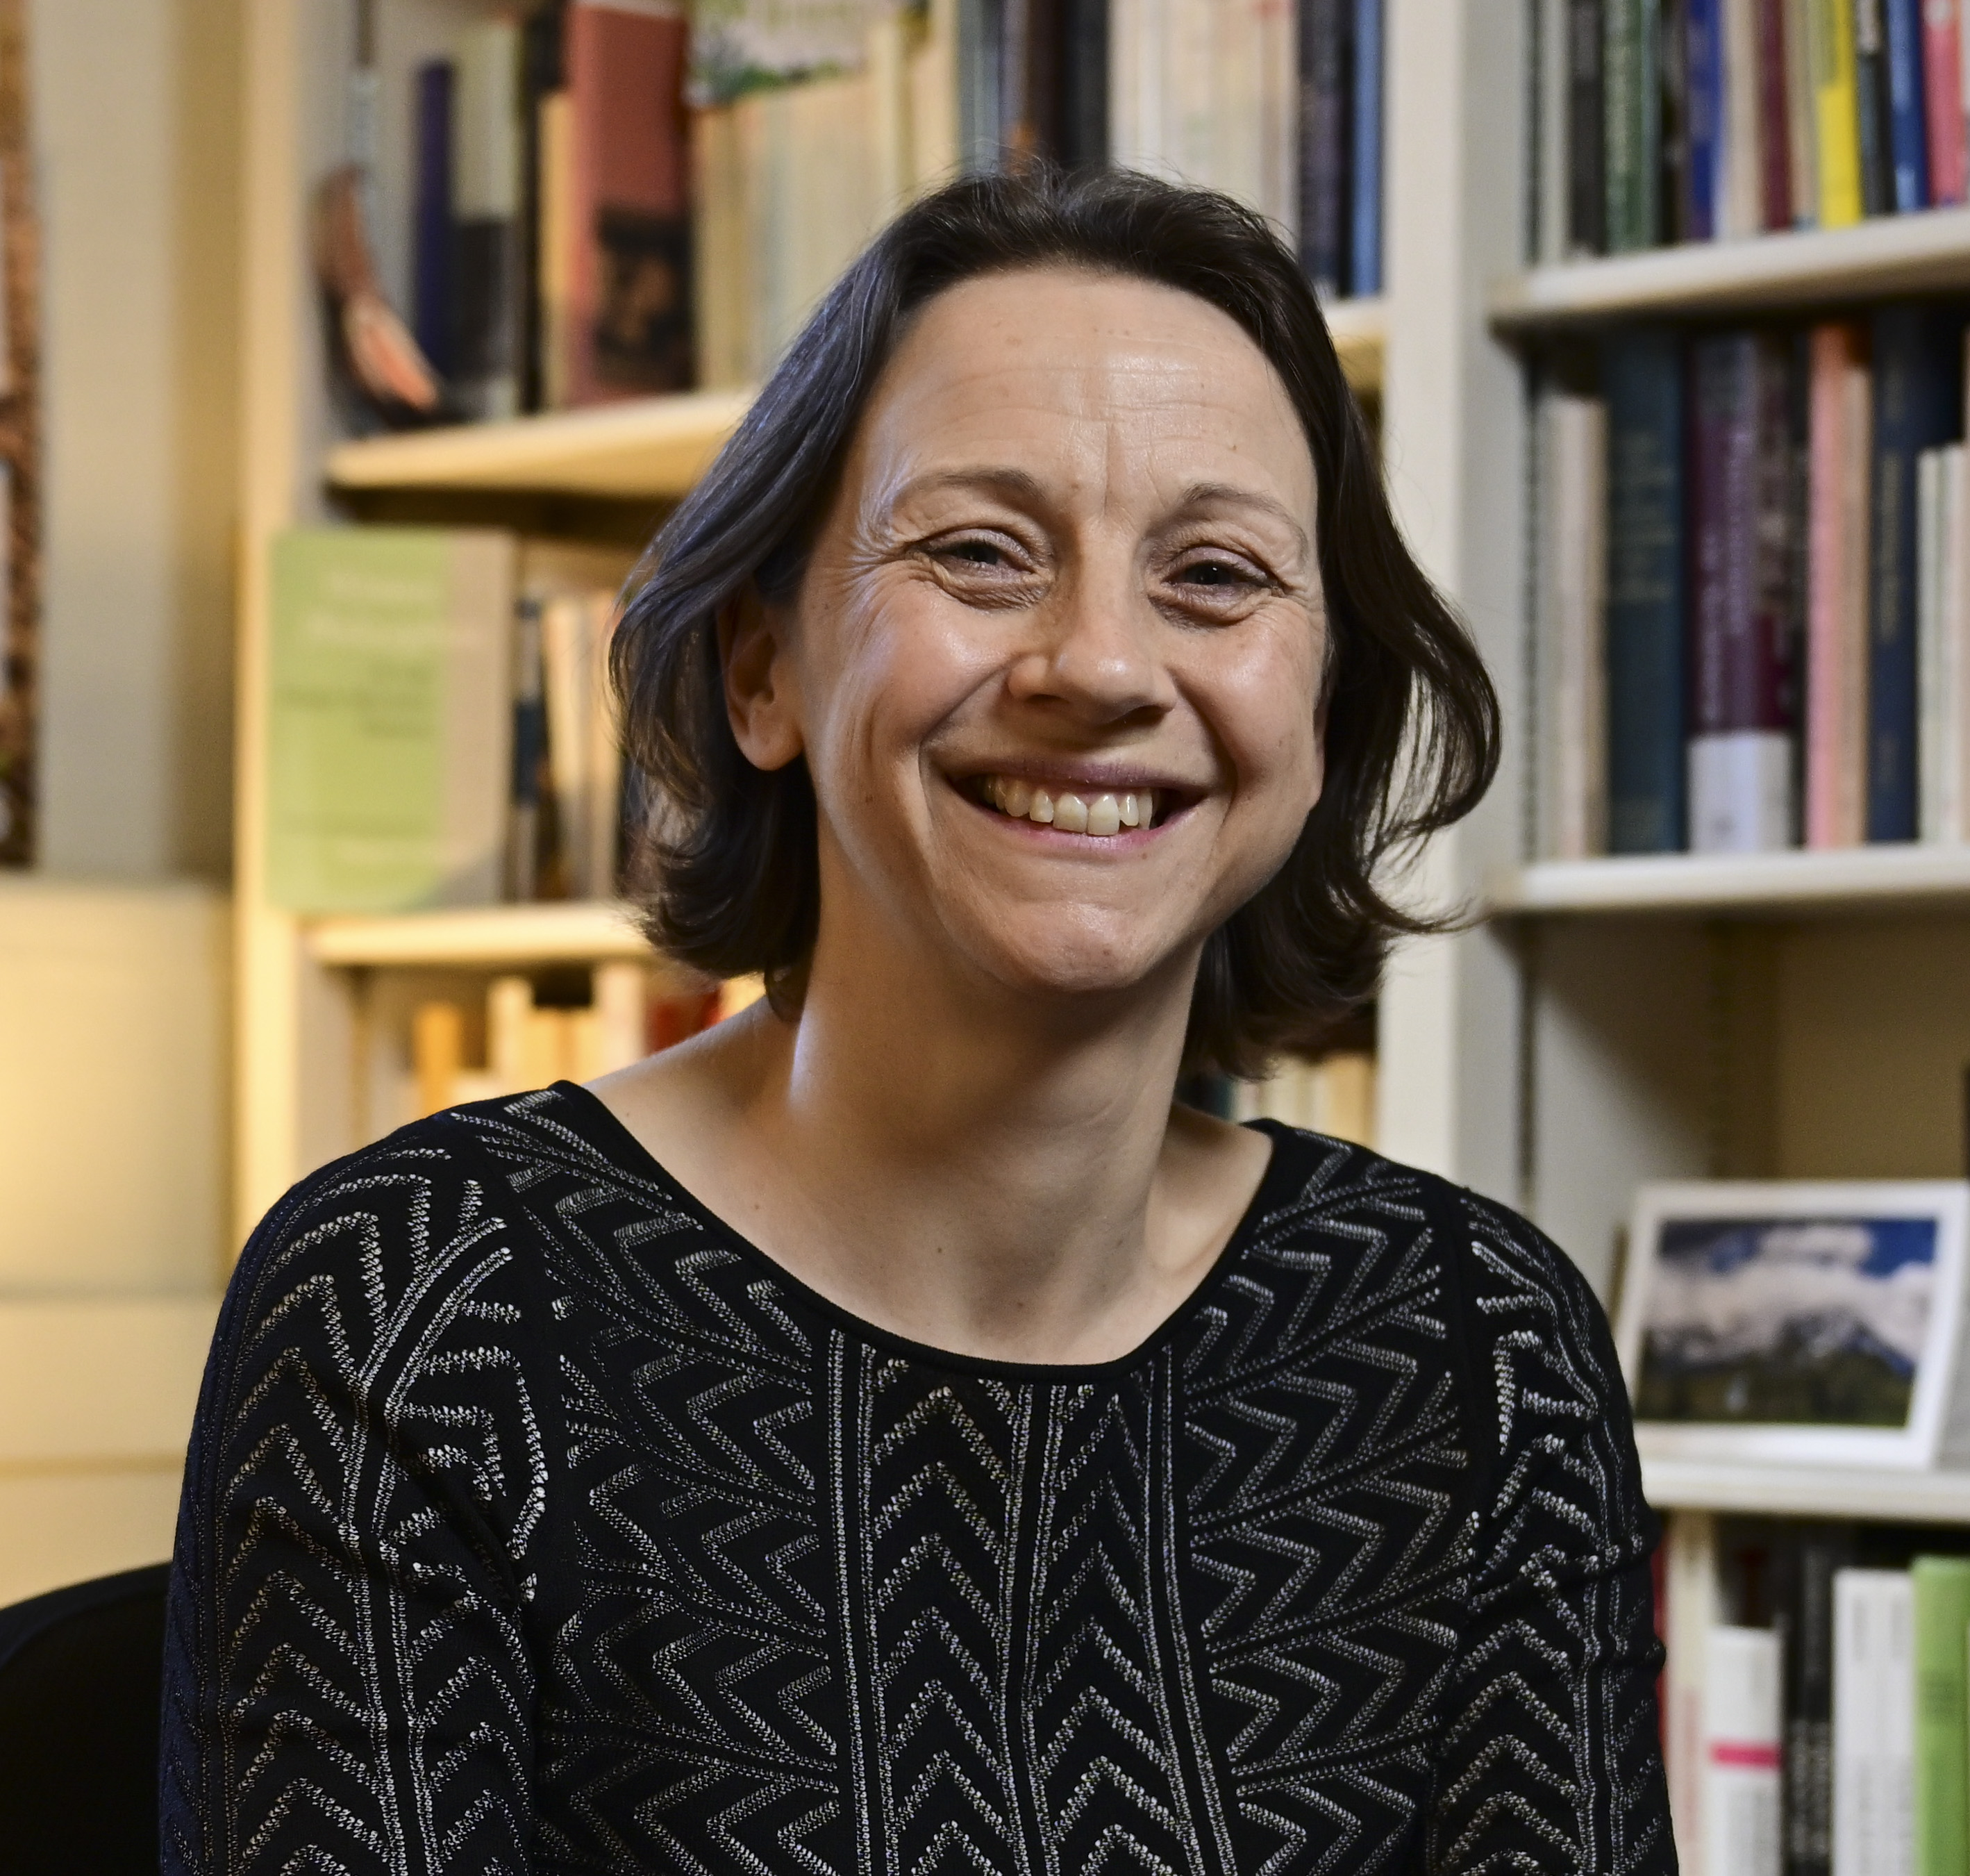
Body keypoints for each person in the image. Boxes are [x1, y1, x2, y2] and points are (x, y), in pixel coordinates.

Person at [158, 167, 1673, 1875]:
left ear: (1321, 701)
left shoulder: (1477, 1347)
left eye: (1218, 573)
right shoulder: (420, 1307)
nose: (1099, 664)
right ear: (761, 671)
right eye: (978, 551)